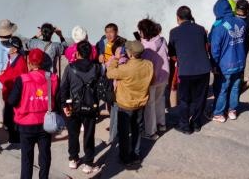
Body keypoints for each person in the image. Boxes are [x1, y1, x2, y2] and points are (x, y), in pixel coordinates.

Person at [9, 48, 59, 179]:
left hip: (26, 124)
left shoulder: (22, 79)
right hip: (45, 123)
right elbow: (57, 100)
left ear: (29, 62)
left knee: (26, 158)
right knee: (45, 155)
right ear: (42, 62)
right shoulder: (52, 78)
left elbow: (12, 100)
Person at [106, 40, 153, 168]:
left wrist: (115, 58)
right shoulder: (149, 65)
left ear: (131, 54)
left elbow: (109, 73)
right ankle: (136, 155)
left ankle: (125, 157)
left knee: (124, 132)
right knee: (137, 129)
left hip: (125, 105)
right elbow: (151, 79)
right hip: (140, 103)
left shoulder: (124, 68)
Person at [167, 5, 211, 134]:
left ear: (178, 18)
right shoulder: (201, 29)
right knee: (200, 98)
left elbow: (172, 52)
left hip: (186, 70)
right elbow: (204, 45)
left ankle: (185, 126)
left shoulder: (174, 32)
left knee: (185, 99)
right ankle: (197, 123)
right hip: (203, 68)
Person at [59, 40, 101, 175]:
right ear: (90, 53)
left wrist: (64, 105)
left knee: (73, 133)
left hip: (73, 106)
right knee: (89, 134)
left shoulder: (70, 68)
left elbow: (63, 87)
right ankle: (88, 163)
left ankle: (73, 158)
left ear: (77, 53)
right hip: (90, 106)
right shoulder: (96, 68)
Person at [210, 0, 246, 123]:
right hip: (240, 62)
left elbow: (215, 49)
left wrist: (213, 64)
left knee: (222, 89)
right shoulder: (241, 22)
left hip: (225, 65)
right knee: (235, 87)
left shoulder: (219, 27)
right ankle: (232, 111)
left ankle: (219, 113)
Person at [138, 18, 169, 136]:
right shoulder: (162, 40)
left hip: (151, 79)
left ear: (144, 31)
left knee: (149, 104)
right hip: (164, 75)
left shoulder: (144, 46)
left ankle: (151, 132)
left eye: (140, 30)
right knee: (159, 100)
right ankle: (161, 124)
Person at [0, 36, 27, 145]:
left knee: (12, 118)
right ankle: (13, 138)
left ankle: (15, 139)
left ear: (14, 49)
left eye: (8, 46)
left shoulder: (20, 62)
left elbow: (15, 79)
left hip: (14, 95)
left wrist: (0, 77)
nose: (6, 48)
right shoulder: (12, 59)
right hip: (10, 94)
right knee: (9, 118)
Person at [0, 19, 17, 119]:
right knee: (9, 100)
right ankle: (9, 121)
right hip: (8, 73)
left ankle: (1, 119)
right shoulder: (11, 46)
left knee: (0, 100)